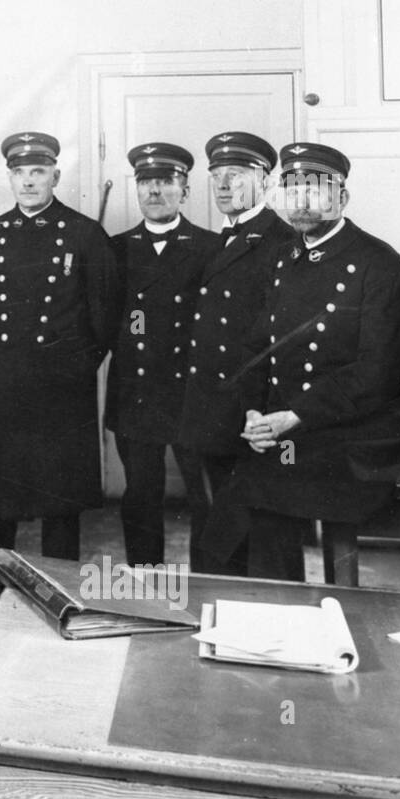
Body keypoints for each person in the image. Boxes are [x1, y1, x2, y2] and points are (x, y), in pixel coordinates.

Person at [202, 142, 400, 581]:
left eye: (315, 189)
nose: (301, 200)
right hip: (288, 427)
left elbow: (378, 372)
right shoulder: (284, 259)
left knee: (286, 491)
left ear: (342, 196)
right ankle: (280, 620)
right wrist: (254, 413)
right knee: (244, 517)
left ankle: (343, 621)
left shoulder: (379, 264)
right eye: (292, 188)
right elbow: (257, 348)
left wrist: (292, 417)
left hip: (356, 434)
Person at [0, 131, 118, 651]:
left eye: (39, 172)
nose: (28, 180)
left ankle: (61, 611)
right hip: (0, 392)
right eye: (20, 172)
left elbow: (106, 319)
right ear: (9, 178)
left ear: (55, 176)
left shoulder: (84, 235)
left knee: (59, 509)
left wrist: (72, 369)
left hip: (58, 395)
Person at [176, 131, 298, 575]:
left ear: (265, 181)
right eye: (217, 176)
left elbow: (286, 340)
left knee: (257, 536)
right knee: (211, 528)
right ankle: (212, 625)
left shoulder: (282, 241)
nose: (223, 185)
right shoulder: (219, 242)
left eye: (237, 176)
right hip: (205, 413)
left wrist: (261, 414)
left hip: (250, 417)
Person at [105, 143, 220, 566]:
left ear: (184, 191)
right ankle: (144, 585)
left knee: (204, 496)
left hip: (193, 393)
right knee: (141, 497)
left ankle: (208, 586)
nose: (155, 191)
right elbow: (108, 320)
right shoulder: (114, 250)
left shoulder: (211, 247)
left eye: (166, 182)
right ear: (137, 190)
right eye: (146, 182)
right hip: (135, 391)